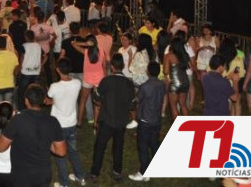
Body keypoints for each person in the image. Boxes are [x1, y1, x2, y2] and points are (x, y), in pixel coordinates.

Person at [0, 84, 66, 187]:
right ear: (44, 100)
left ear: (26, 101)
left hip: (21, 176)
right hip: (43, 176)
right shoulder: (53, 121)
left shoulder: (17, 120)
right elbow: (61, 152)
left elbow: (0, 147)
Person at [89, 54, 135, 182]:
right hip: (121, 121)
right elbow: (132, 105)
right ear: (123, 66)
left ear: (112, 67)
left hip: (107, 120)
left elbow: (96, 99)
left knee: (100, 146)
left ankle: (95, 173)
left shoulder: (106, 80)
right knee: (118, 146)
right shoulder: (129, 83)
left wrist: (96, 92)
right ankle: (117, 172)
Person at [47, 58, 85, 187]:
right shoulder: (77, 83)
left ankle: (64, 183)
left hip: (58, 126)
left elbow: (50, 98)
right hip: (72, 123)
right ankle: (80, 176)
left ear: (58, 70)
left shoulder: (54, 87)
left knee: (60, 155)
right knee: (73, 151)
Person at [129, 61, 166, 182]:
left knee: (143, 146)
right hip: (156, 119)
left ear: (148, 71)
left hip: (145, 120)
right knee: (154, 143)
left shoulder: (145, 86)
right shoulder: (162, 84)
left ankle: (143, 172)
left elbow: (138, 99)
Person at [163, 36, 190, 119]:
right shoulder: (184, 55)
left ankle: (177, 125)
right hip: (185, 81)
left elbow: (166, 71)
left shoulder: (168, 56)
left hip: (175, 82)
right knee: (183, 104)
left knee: (173, 106)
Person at [18, 30, 44, 111]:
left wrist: (20, 67)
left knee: (23, 91)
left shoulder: (24, 46)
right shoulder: (38, 46)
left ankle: (22, 108)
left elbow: (22, 57)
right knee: (34, 91)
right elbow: (45, 56)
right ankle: (34, 107)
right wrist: (41, 65)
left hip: (26, 72)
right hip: (36, 72)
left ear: (26, 37)